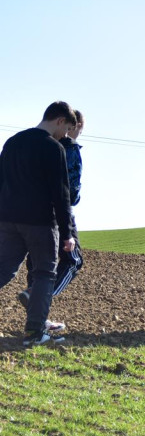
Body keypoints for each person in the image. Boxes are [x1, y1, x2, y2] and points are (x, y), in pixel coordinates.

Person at [0, 101, 77, 347]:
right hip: (40, 223)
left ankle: (35, 331)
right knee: (44, 273)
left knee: (4, 269)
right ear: (60, 120)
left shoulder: (12, 142)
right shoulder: (53, 148)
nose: (65, 135)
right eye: (67, 129)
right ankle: (34, 333)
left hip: (8, 219)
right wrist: (67, 233)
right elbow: (61, 194)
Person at [19, 109, 86, 332]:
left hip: (30, 212)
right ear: (74, 126)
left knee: (36, 264)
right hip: (59, 213)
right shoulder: (70, 148)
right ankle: (37, 296)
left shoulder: (38, 143)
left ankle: (37, 321)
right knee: (73, 260)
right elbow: (72, 192)